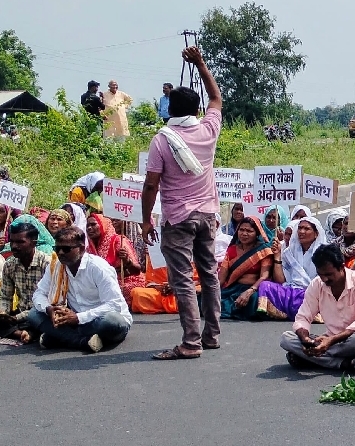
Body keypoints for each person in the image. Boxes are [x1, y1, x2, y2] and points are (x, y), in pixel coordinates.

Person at [143, 46, 223, 360]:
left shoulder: (162, 139)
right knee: (208, 274)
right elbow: (215, 98)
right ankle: (211, 335)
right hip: (207, 214)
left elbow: (151, 184)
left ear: (168, 108)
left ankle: (191, 342)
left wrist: (146, 218)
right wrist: (201, 62)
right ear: (196, 108)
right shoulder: (208, 129)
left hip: (178, 217)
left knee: (182, 280)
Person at [22, 227, 131, 353]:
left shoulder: (98, 268)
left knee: (112, 321)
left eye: (66, 249)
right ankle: (82, 342)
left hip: (98, 319)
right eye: (57, 249)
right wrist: (49, 309)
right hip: (73, 321)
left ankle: (60, 337)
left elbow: (114, 304)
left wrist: (79, 318)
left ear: (81, 248)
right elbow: (39, 294)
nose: (61, 253)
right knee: (34, 315)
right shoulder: (56, 266)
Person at [283, 244, 355, 372]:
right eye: (320, 274)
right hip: (329, 340)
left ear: (341, 267)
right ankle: (344, 363)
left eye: (328, 274)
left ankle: (314, 357)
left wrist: (330, 341)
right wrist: (306, 340)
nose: (324, 279)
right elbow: (303, 317)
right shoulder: (317, 284)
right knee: (286, 338)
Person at [261, 217, 325, 321]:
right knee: (265, 285)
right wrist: (277, 256)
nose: (301, 232)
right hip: (292, 291)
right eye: (299, 228)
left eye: (306, 229)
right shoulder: (289, 252)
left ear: (316, 233)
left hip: (314, 293)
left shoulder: (324, 252)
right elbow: (281, 281)